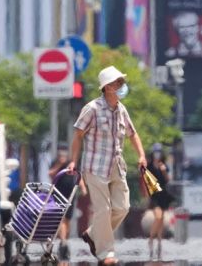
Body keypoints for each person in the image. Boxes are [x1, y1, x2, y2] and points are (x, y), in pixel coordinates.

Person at [68, 66, 148, 265]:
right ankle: (106, 254)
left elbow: (132, 133)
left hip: (116, 166)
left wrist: (141, 155)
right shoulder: (92, 109)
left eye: (122, 81)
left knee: (123, 207)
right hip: (95, 166)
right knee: (103, 210)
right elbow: (78, 135)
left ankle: (93, 234)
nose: (122, 85)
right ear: (107, 87)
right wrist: (73, 161)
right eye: (118, 82)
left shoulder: (121, 110)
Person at [48, 147, 87, 260]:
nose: (63, 157)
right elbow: (50, 174)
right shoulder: (55, 163)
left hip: (70, 195)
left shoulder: (72, 164)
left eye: (64, 154)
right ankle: (63, 241)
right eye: (61, 155)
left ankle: (64, 241)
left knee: (67, 219)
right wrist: (59, 166)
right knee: (61, 218)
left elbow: (79, 176)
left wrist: (83, 188)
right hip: (58, 194)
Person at [146, 143, 174, 260]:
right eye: (155, 152)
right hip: (154, 195)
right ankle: (151, 240)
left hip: (163, 195)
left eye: (159, 152)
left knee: (161, 219)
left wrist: (163, 171)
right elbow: (146, 180)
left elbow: (168, 180)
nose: (157, 154)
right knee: (158, 217)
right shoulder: (149, 166)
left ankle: (159, 242)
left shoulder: (164, 165)